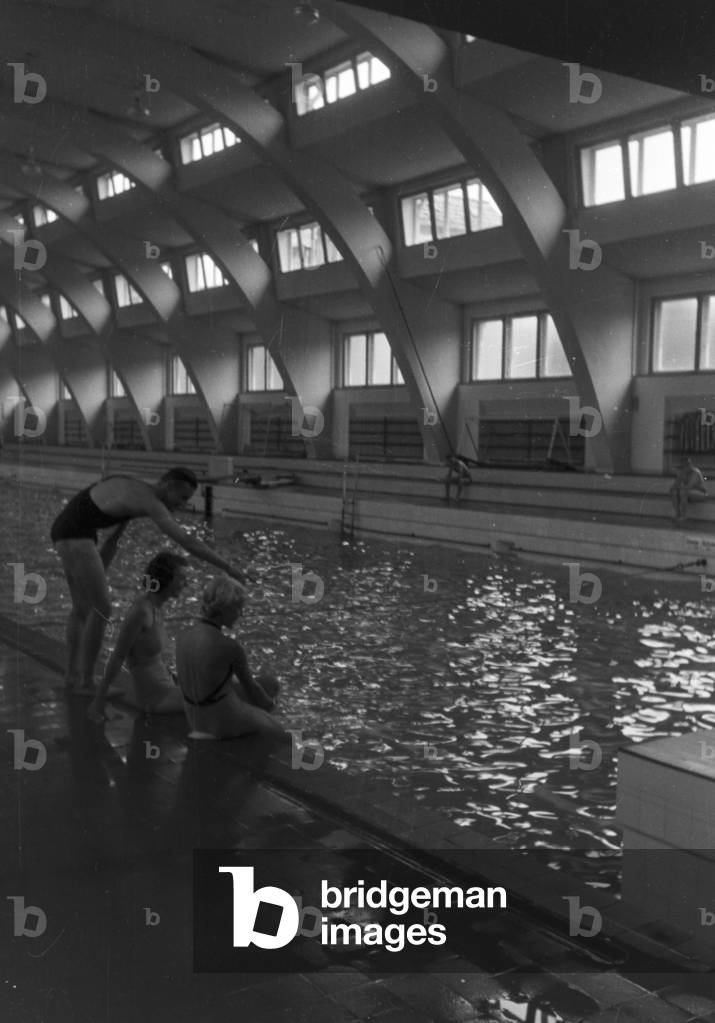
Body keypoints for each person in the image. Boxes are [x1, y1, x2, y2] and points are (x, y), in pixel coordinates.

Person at [50, 467, 248, 695]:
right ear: (167, 485)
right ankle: (86, 683)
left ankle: (72, 675)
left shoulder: (133, 493)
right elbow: (187, 542)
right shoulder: (149, 500)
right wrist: (229, 567)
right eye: (182, 497)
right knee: (101, 607)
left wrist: (98, 571)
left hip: (68, 530)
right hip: (77, 535)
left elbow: (113, 538)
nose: (182, 504)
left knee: (82, 608)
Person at [176, 575, 291, 743]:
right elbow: (252, 689)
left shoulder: (183, 636)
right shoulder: (229, 647)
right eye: (238, 608)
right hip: (220, 721)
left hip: (194, 717)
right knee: (284, 736)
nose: (241, 614)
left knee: (269, 683)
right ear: (224, 608)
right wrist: (273, 708)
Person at [88, 552, 188, 722]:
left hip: (166, 691)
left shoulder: (155, 607)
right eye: (181, 578)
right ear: (166, 578)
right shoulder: (141, 612)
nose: (185, 584)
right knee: (215, 698)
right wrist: (98, 702)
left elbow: (155, 660)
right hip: (155, 700)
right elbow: (118, 656)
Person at [670, 457, 707, 521]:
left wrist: (678, 487)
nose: (686, 466)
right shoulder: (682, 472)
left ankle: (684, 516)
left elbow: (688, 486)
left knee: (683, 492)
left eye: (687, 464)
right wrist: (674, 487)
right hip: (689, 493)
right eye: (684, 465)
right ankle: (678, 514)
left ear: (690, 464)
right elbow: (674, 485)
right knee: (674, 492)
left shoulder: (696, 472)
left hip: (701, 493)